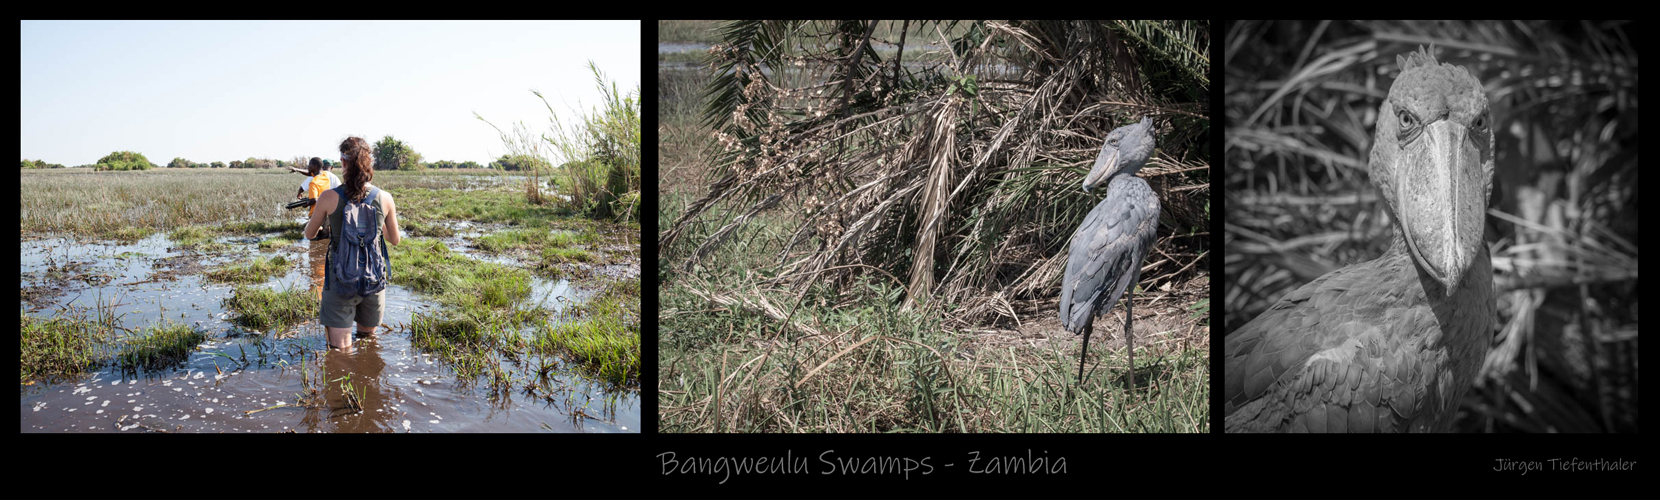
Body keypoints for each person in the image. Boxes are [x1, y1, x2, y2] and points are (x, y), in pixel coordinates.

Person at [305, 137, 401, 351]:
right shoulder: (384, 197)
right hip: (373, 279)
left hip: (340, 281)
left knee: (339, 351)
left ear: (343, 162)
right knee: (368, 344)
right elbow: (394, 239)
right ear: (369, 164)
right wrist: (375, 227)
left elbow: (310, 234)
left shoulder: (329, 197)